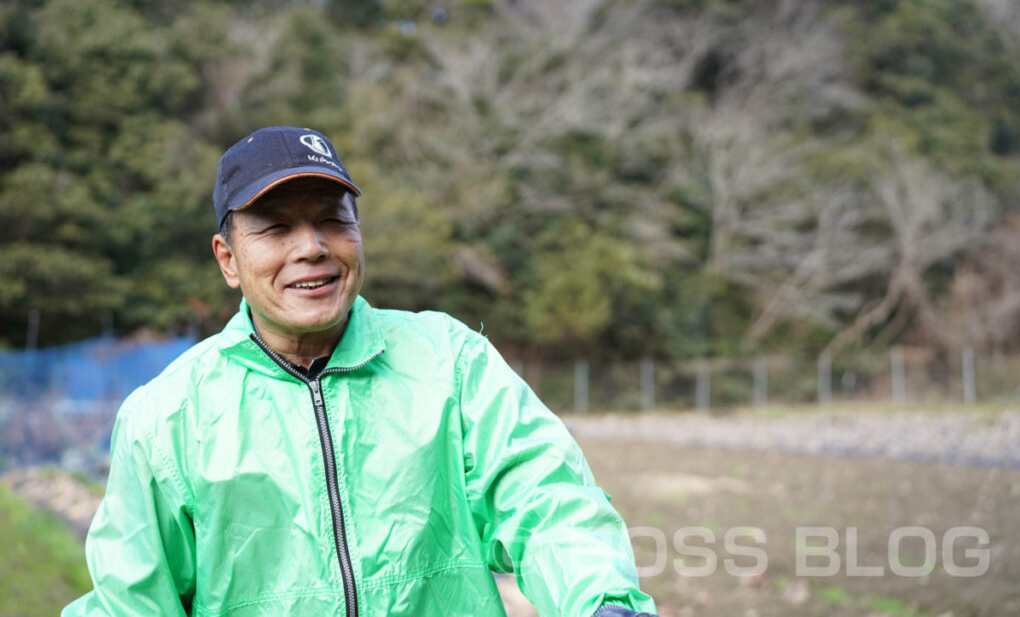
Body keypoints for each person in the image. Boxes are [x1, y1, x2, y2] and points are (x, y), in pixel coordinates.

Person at [64, 126, 658, 616]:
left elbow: (547, 498)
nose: (313, 248)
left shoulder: (450, 361)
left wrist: (603, 603)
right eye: (276, 228)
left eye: (332, 220)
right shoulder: (165, 417)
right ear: (228, 260)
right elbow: (131, 598)